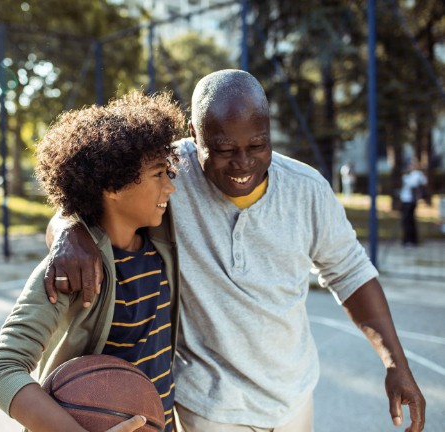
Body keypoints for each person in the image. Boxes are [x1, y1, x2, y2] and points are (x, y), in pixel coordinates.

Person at [43, 70, 426, 432]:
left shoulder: (307, 190)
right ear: (194, 135)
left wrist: (395, 363)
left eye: (258, 145)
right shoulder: (166, 176)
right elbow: (86, 202)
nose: (243, 164)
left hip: (293, 397)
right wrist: (69, 231)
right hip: (209, 406)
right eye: (224, 149)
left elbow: (351, 273)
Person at [0, 90, 185, 432]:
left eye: (169, 173)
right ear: (113, 186)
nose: (171, 187)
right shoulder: (71, 270)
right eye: (157, 175)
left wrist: (66, 224)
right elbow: (1, 370)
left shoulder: (161, 240)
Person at [399, 160, 428, 247]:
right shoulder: (409, 175)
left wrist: (407, 178)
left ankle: (410, 240)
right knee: (407, 221)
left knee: (408, 221)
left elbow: (416, 183)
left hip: (410, 201)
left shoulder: (416, 174)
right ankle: (408, 239)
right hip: (405, 200)